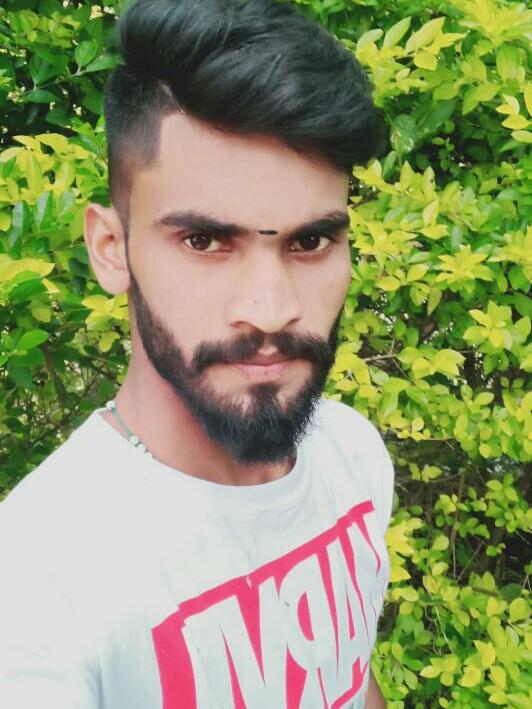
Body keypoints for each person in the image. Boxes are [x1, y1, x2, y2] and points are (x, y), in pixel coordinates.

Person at [0, 0, 394, 706]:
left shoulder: (353, 455)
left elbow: (352, 678)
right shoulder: (38, 589)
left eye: (310, 241)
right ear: (111, 248)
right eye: (205, 241)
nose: (270, 310)